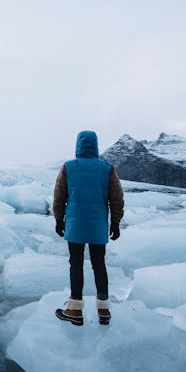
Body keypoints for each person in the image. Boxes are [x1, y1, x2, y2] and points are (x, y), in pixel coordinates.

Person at [53, 130, 124, 326]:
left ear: (78, 145)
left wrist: (59, 220)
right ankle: (103, 309)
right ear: (96, 145)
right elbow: (116, 199)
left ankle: (75, 310)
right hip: (98, 225)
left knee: (76, 264)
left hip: (75, 225)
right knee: (99, 264)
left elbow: (59, 197)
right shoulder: (106, 168)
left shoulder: (69, 167)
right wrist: (116, 223)